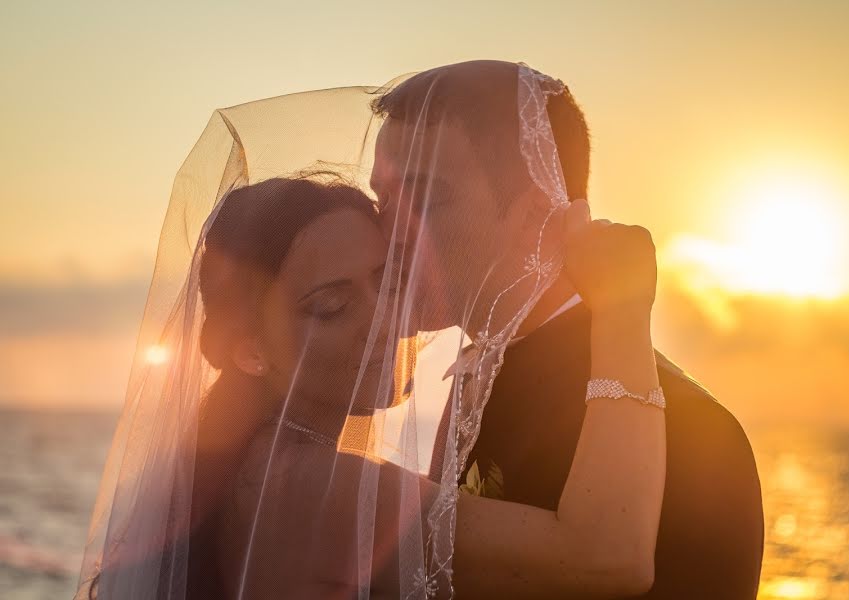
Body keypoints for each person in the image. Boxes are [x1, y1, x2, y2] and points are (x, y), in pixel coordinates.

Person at [76, 62, 663, 600]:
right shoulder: (314, 488)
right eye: (331, 306)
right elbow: (606, 557)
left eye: (383, 282)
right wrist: (622, 310)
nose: (384, 318)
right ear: (248, 351)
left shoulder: (255, 469)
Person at [371, 59, 765, 599]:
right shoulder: (479, 379)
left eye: (425, 197)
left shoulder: (689, 431)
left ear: (537, 214)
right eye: (382, 200)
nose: (386, 233)